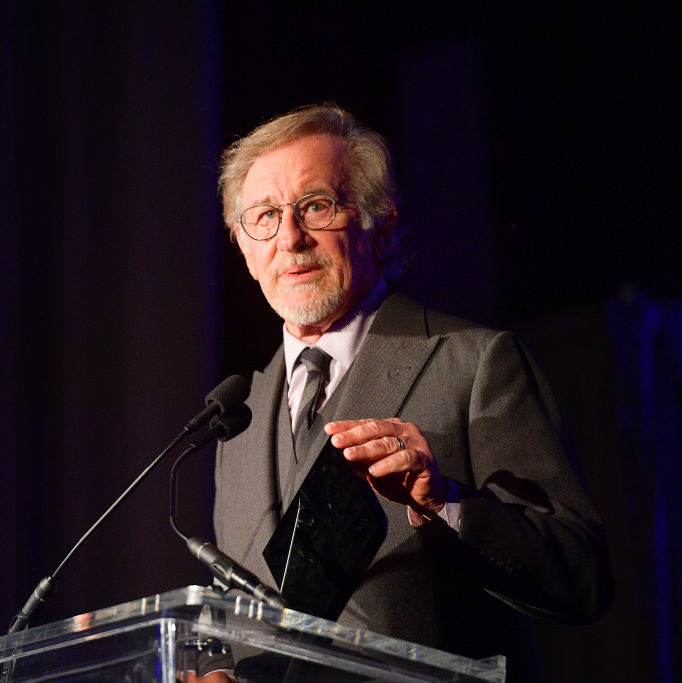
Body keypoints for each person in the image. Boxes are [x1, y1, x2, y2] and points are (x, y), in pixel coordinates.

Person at [212, 104, 612, 680]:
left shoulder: (475, 364)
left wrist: (445, 501)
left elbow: (582, 577)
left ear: (383, 224)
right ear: (245, 249)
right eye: (265, 216)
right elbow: (245, 625)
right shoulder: (237, 424)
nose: (291, 237)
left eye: (316, 206)